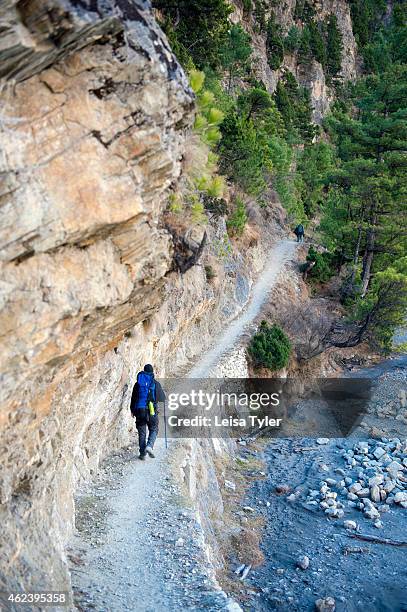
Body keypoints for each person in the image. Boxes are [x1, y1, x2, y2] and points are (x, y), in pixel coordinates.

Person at [130, 364, 166, 460]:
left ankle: (142, 454)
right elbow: (163, 398)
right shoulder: (155, 383)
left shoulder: (138, 384)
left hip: (139, 410)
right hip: (151, 410)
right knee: (154, 428)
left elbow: (133, 398)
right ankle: (149, 446)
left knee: (142, 432)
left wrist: (132, 410)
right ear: (152, 372)